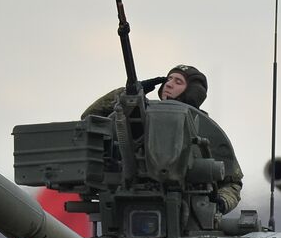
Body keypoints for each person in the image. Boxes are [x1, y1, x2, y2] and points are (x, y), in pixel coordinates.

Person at [82, 64, 243, 214]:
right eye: (168, 79)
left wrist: (220, 202)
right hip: (128, 206)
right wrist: (126, 95)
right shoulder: (135, 118)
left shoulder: (206, 131)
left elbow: (232, 183)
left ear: (193, 91)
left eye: (178, 81)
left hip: (190, 214)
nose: (169, 84)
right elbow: (90, 119)